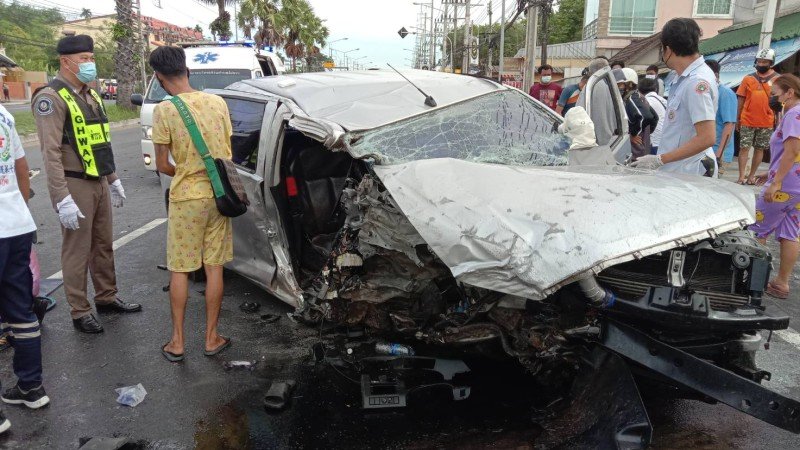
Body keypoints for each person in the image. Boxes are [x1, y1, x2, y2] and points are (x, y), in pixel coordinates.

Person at [31, 35, 141, 334]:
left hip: (98, 181)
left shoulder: (89, 95)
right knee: (77, 249)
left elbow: (99, 143)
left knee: (103, 244)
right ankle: (80, 310)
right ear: (65, 61)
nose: (90, 64)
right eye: (84, 59)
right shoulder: (50, 98)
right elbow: (50, 152)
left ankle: (106, 296)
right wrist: (60, 197)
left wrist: (113, 178)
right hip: (74, 184)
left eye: (92, 58)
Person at [149, 46, 234, 362]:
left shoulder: (164, 110)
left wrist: (184, 171)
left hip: (186, 199)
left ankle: (178, 342)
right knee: (215, 268)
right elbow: (227, 151)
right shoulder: (218, 102)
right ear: (187, 70)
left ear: (159, 77)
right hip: (218, 196)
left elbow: (161, 163)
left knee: (180, 270)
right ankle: (212, 338)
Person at [0, 103, 50, 433]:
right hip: (15, 226)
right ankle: (31, 387)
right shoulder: (2, 114)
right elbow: (21, 168)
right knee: (21, 311)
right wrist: (18, 211)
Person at [631, 18, 718, 177]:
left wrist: (659, 160)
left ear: (668, 50)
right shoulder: (682, 78)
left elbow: (707, 137)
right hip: (678, 170)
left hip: (689, 172)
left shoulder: (696, 83)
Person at [750, 74, 800, 299]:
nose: (772, 98)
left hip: (785, 186)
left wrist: (776, 180)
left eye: (775, 94)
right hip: (796, 186)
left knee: (757, 228)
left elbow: (791, 151)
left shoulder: (793, 114)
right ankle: (781, 283)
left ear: (789, 92)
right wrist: (770, 172)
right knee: (790, 233)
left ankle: (748, 281)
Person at [737, 48, 780, 185]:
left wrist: (778, 121)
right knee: (744, 148)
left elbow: (780, 102)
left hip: (767, 121)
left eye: (764, 62)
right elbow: (741, 99)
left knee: (759, 149)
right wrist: (737, 118)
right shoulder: (748, 78)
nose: (761, 64)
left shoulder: (777, 79)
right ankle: (741, 176)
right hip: (747, 119)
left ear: (771, 63)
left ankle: (751, 176)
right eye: (759, 61)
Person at [617, 68, 658, 160]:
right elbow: (655, 117)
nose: (619, 87)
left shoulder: (632, 98)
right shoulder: (639, 97)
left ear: (630, 84)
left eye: (621, 84)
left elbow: (647, 117)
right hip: (644, 146)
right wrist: (645, 133)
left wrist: (634, 134)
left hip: (637, 149)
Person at [706, 59, 737, 174]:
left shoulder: (725, 93)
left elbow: (729, 125)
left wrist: (718, 155)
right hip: (706, 150)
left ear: (715, 75)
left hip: (717, 153)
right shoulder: (709, 92)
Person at [577, 58, 616, 146]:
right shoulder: (608, 86)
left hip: (595, 143)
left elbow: (580, 114)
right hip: (609, 140)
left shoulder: (593, 86)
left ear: (591, 72)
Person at [639, 78, 666, 155]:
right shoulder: (663, 100)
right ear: (656, 88)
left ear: (639, 90)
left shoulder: (644, 102)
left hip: (654, 142)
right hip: (667, 140)